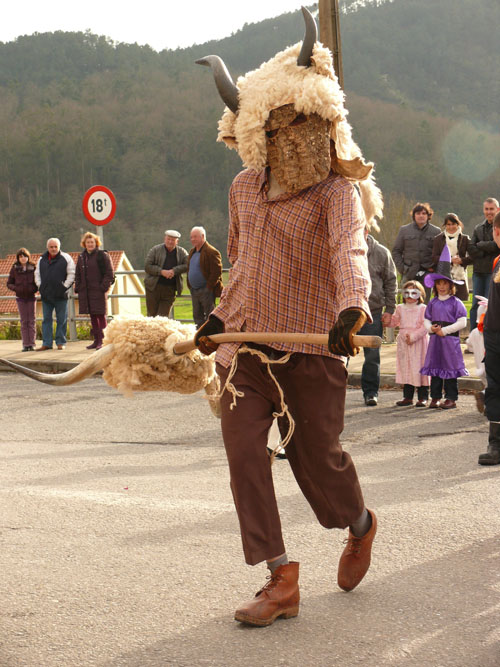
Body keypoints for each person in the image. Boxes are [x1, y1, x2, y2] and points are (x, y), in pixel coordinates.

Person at [194, 8, 382, 627]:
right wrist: (217, 318)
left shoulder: (336, 191)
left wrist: (352, 308)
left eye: (301, 123)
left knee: (317, 459)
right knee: (242, 447)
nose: (293, 138)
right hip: (249, 347)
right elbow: (243, 262)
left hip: (314, 343)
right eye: (277, 128)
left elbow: (348, 253)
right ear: (256, 134)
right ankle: (280, 576)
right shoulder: (244, 188)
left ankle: (358, 524)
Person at [420, 246, 469, 409]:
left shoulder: (456, 303)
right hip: (435, 342)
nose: (442, 287)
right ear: (435, 286)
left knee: (450, 370)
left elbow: (462, 322)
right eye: (439, 283)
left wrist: (445, 331)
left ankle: (451, 398)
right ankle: (434, 397)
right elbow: (426, 319)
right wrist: (431, 329)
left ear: (450, 285)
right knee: (435, 369)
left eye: (445, 284)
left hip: (450, 341)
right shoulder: (432, 302)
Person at [359, 232, 397, 406]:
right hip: (346, 311)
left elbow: (391, 281)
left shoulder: (382, 253)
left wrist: (390, 310)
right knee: (341, 354)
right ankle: (336, 392)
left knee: (372, 356)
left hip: (373, 311)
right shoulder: (343, 249)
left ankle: (371, 392)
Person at [478, 211, 500, 464]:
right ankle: (495, 444)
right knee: (494, 388)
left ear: (495, 231)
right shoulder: (497, 261)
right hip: (494, 335)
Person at [388, 280, 430, 407]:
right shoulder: (400, 308)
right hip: (404, 343)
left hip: (419, 343)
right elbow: (394, 322)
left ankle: (423, 396)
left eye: (414, 293)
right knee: (407, 367)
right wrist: (387, 320)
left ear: (420, 294)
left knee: (420, 367)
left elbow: (425, 326)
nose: (410, 296)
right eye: (407, 293)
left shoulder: (423, 308)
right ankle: (407, 396)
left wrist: (414, 336)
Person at [392, 202, 441, 300]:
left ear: (428, 216)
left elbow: (440, 253)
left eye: (424, 213)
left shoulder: (436, 231)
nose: (421, 216)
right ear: (414, 215)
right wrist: (402, 269)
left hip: (427, 274)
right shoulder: (404, 230)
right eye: (418, 213)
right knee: (407, 303)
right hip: (409, 272)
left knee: (424, 304)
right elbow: (396, 251)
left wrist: (434, 268)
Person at [74, 232, 114, 350]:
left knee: (101, 317)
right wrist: (78, 287)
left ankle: (103, 341)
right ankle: (96, 341)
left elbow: (109, 273)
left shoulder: (102, 255)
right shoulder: (81, 257)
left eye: (92, 242)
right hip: (86, 293)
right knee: (93, 317)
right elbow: (77, 274)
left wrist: (103, 287)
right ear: (84, 244)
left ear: (96, 243)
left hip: (98, 292)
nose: (90, 244)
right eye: (88, 242)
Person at [35, 238, 75, 351]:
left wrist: (64, 287)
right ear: (47, 247)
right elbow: (37, 274)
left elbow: (72, 274)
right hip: (46, 295)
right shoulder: (41, 259)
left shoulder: (66, 258)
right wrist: (40, 286)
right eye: (51, 247)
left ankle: (60, 342)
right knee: (46, 320)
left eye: (55, 247)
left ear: (59, 247)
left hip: (60, 295)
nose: (53, 249)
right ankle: (46, 343)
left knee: (61, 319)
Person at [468, 198, 500, 330]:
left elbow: (496, 246)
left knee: (490, 305)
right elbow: (471, 247)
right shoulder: (478, 228)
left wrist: (481, 245)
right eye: (486, 209)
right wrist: (485, 251)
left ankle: (485, 336)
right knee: (475, 304)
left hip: (494, 273)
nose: (489, 212)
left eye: (491, 209)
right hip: (478, 272)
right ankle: (472, 336)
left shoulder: (498, 227)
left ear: (497, 210)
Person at [144, 230, 188, 317]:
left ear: (177, 242)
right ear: (165, 239)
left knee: (163, 317)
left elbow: (188, 265)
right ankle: (151, 331)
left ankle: (160, 331)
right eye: (168, 239)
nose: (170, 242)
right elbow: (147, 266)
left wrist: (174, 271)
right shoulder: (155, 250)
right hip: (153, 288)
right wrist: (161, 272)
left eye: (173, 240)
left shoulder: (182, 252)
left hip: (170, 290)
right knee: (151, 316)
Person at [187, 226, 223, 328]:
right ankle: (199, 338)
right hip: (194, 290)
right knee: (197, 316)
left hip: (206, 290)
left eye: (195, 237)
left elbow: (217, 271)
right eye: (191, 237)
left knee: (209, 316)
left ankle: (209, 338)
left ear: (202, 236)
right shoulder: (192, 252)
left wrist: (209, 287)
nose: (192, 239)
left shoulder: (211, 251)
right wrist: (190, 285)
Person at [431, 213, 471, 301]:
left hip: (460, 277)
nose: (451, 227)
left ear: (458, 224)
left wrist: (461, 260)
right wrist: (449, 260)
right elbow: (434, 258)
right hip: (443, 277)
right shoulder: (438, 239)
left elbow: (473, 257)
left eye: (453, 224)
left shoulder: (465, 239)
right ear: (445, 225)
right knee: (442, 302)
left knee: (460, 303)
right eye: (448, 224)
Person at [7, 248, 38, 351]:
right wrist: (17, 289)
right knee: (24, 321)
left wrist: (33, 289)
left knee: (32, 321)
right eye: (21, 257)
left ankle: (32, 344)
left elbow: (38, 282)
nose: (23, 258)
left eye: (25, 256)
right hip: (20, 298)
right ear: (18, 258)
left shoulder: (33, 268)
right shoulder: (15, 269)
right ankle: (25, 344)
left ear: (28, 257)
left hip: (31, 298)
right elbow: (9, 283)